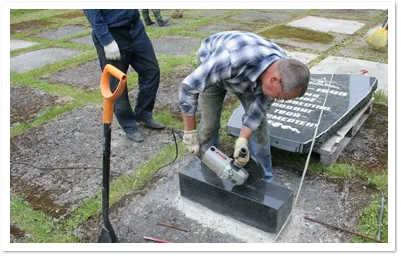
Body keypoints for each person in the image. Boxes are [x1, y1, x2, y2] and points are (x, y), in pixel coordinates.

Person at [179, 31, 310, 183]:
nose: (277, 100)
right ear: (274, 79)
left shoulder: (284, 72)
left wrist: (242, 140)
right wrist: (189, 132)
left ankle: (264, 180)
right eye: (280, 97)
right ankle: (209, 171)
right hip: (216, 67)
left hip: (248, 78)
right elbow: (188, 87)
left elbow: (257, 113)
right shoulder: (231, 58)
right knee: (209, 125)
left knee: (259, 129)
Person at [84, 9, 165, 143]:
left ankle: (143, 113)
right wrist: (106, 40)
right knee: (117, 84)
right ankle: (129, 124)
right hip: (112, 31)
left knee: (151, 71)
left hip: (135, 27)